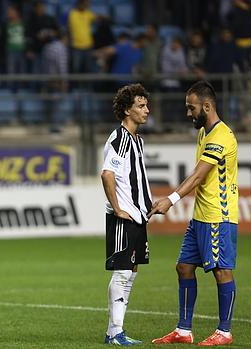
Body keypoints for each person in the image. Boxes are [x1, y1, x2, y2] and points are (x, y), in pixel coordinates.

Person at [150, 80, 238, 346]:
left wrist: (172, 199)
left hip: (217, 216)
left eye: (192, 108)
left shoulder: (222, 137)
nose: (189, 114)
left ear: (207, 106)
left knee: (221, 271)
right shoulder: (204, 133)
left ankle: (224, 331)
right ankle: (184, 330)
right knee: (184, 267)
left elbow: (199, 175)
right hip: (201, 215)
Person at [101, 83, 152, 345]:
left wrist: (146, 205)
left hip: (138, 216)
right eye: (140, 106)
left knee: (131, 272)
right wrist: (118, 208)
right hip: (125, 217)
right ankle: (115, 331)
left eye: (146, 105)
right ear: (126, 110)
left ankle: (116, 331)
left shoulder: (137, 140)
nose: (147, 110)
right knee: (122, 272)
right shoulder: (120, 138)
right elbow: (107, 174)